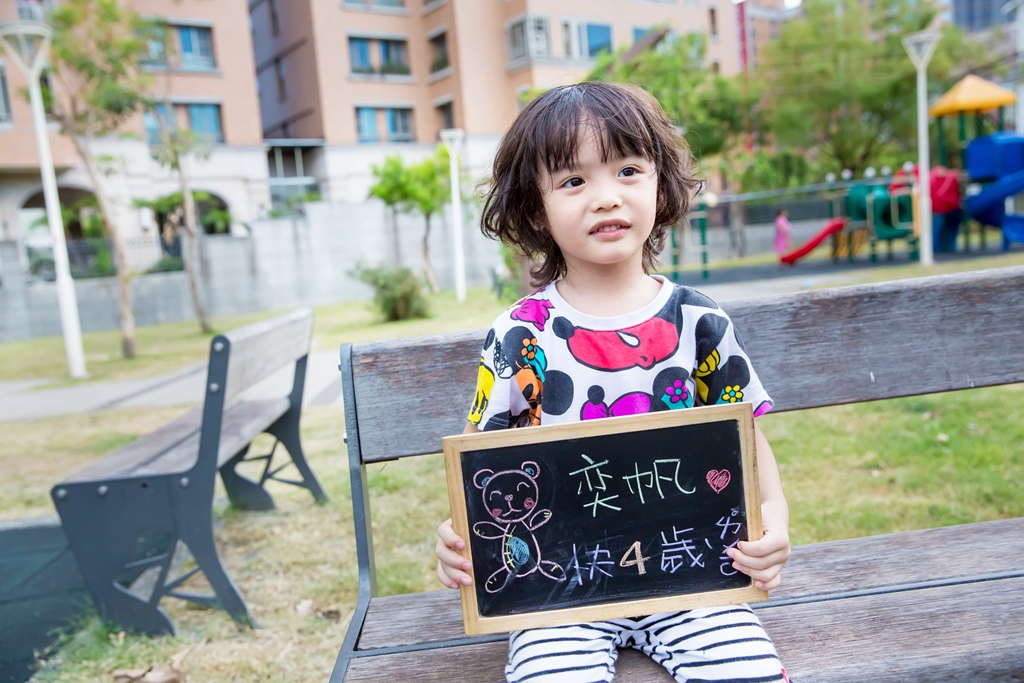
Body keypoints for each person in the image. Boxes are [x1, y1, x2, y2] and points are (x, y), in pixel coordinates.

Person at [435, 82, 791, 683]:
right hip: (560, 587)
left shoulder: (698, 321)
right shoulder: (521, 335)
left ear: (661, 184)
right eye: (573, 181)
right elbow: (481, 464)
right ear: (533, 208)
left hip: (692, 572)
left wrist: (774, 524)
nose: (606, 198)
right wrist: (458, 537)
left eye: (628, 169)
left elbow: (746, 443)